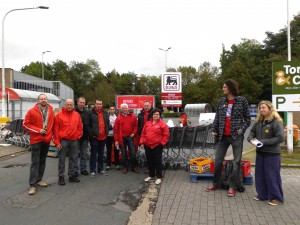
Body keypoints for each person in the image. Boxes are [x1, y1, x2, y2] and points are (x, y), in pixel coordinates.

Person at [205, 79, 251, 197]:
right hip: (222, 137)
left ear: (230, 88)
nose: (223, 89)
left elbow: (247, 119)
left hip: (236, 136)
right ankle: (216, 184)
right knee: (218, 161)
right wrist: (214, 130)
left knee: (236, 162)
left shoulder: (242, 100)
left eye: (225, 87)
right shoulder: (221, 101)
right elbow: (217, 118)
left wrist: (241, 130)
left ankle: (232, 187)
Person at [247, 100, 284, 206]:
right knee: (260, 175)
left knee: (272, 176)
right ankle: (263, 195)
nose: (262, 109)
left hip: (272, 154)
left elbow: (280, 137)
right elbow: (252, 132)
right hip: (260, 153)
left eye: (264, 108)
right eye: (260, 108)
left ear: (270, 109)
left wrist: (263, 142)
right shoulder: (259, 121)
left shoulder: (276, 122)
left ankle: (277, 198)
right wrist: (250, 139)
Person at [23, 93, 55, 195]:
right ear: (38, 101)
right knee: (35, 162)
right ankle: (32, 185)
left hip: (46, 140)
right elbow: (25, 124)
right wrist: (38, 130)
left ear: (47, 100)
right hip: (36, 140)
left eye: (45, 99)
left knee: (42, 161)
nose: (43, 100)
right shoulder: (32, 111)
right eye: (41, 99)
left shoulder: (51, 111)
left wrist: (52, 136)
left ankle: (39, 179)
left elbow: (53, 125)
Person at [54, 99, 83, 185]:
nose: (69, 106)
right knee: (62, 159)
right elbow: (56, 129)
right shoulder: (59, 115)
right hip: (63, 140)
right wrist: (57, 142)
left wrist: (78, 136)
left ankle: (71, 175)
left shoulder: (77, 115)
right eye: (68, 105)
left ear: (73, 106)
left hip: (74, 140)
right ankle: (61, 177)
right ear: (65, 105)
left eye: (71, 105)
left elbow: (80, 126)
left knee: (73, 158)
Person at [140, 109, 170, 185]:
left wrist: (161, 144)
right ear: (152, 115)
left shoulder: (162, 124)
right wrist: (142, 142)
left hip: (157, 146)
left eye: (157, 114)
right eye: (154, 114)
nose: (155, 115)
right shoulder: (147, 123)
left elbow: (166, 135)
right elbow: (143, 133)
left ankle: (159, 177)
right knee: (150, 161)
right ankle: (151, 175)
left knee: (158, 161)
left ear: (159, 116)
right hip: (147, 145)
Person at [114, 103, 139, 174]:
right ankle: (125, 167)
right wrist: (116, 140)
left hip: (130, 137)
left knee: (133, 153)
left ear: (128, 109)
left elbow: (136, 126)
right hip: (122, 138)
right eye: (123, 108)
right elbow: (115, 130)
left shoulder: (133, 117)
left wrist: (134, 133)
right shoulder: (118, 118)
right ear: (121, 109)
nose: (125, 109)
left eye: (126, 108)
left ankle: (133, 166)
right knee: (123, 154)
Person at [88, 99, 110, 177]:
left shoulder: (105, 113)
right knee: (93, 154)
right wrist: (92, 135)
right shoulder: (90, 113)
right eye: (97, 104)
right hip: (94, 137)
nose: (98, 105)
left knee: (101, 154)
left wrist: (107, 132)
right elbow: (88, 125)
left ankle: (100, 169)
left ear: (102, 105)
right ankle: (92, 170)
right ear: (95, 104)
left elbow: (107, 123)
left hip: (103, 137)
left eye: (100, 104)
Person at [74, 97, 89, 176]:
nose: (82, 104)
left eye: (83, 102)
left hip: (85, 137)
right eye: (81, 102)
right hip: (75, 137)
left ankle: (83, 168)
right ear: (77, 102)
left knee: (84, 154)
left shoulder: (87, 112)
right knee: (75, 154)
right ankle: (75, 170)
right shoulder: (73, 111)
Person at [137, 101, 154, 173]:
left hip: (152, 135)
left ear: (150, 106)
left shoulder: (154, 113)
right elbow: (138, 124)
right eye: (145, 106)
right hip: (143, 135)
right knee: (147, 152)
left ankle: (152, 167)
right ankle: (148, 167)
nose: (146, 107)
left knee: (152, 152)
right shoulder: (140, 114)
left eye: (147, 105)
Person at [105, 106, 120, 170]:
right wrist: (110, 127)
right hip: (108, 136)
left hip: (116, 136)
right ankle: (108, 164)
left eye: (113, 109)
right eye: (111, 109)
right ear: (109, 110)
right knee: (109, 150)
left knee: (116, 150)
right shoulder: (106, 117)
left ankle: (117, 164)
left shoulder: (117, 117)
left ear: (115, 110)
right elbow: (105, 125)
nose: (112, 110)